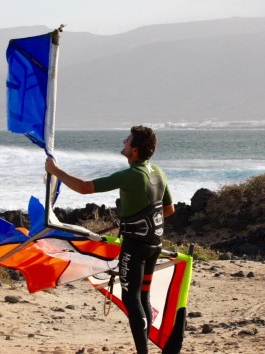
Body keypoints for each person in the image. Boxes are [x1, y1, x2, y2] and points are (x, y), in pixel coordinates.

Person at [45, 125, 175, 354]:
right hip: (154, 243)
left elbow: (86, 188)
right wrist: (142, 220)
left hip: (135, 246)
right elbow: (169, 209)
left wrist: (56, 171)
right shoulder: (158, 172)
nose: (124, 141)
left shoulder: (132, 175)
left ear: (134, 150)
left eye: (128, 140)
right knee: (143, 294)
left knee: (131, 299)